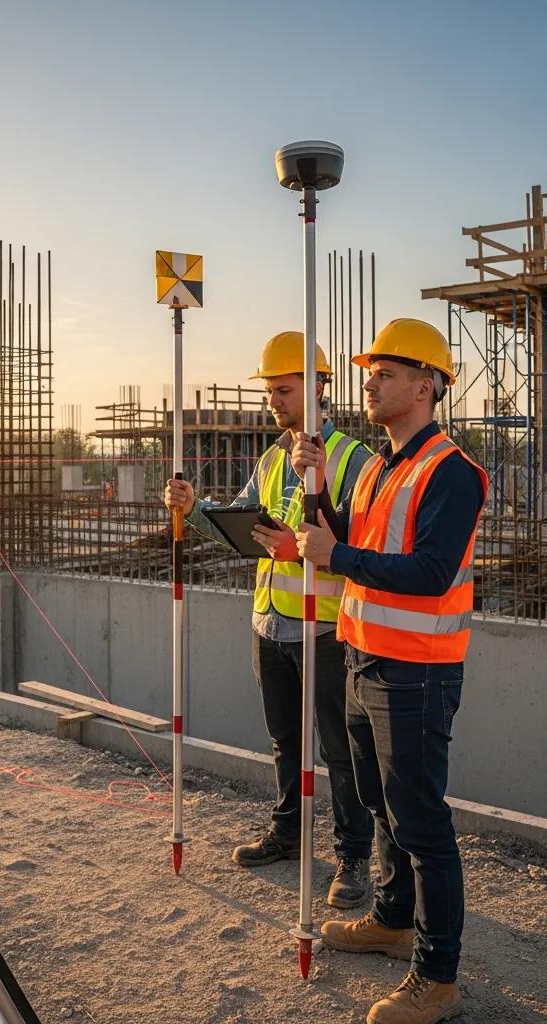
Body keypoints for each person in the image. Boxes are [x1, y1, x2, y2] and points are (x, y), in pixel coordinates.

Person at [293, 319, 487, 1024]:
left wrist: (335, 557)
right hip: (364, 658)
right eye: (369, 370)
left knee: (421, 821)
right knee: (380, 803)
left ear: (426, 385)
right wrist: (311, 487)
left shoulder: (452, 473)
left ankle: (436, 977)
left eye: (386, 371)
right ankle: (393, 917)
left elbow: (431, 572)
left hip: (416, 672)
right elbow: (345, 538)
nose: (368, 380)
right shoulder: (380, 466)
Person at [164, 330, 374, 908]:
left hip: (327, 629)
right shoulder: (273, 457)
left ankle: (353, 855)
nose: (273, 401)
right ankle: (288, 833)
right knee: (285, 741)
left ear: (318, 388)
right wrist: (195, 509)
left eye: (283, 390)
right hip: (271, 625)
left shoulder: (356, 461)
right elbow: (244, 526)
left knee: (340, 748)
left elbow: (360, 549)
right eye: (271, 391)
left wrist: (297, 547)